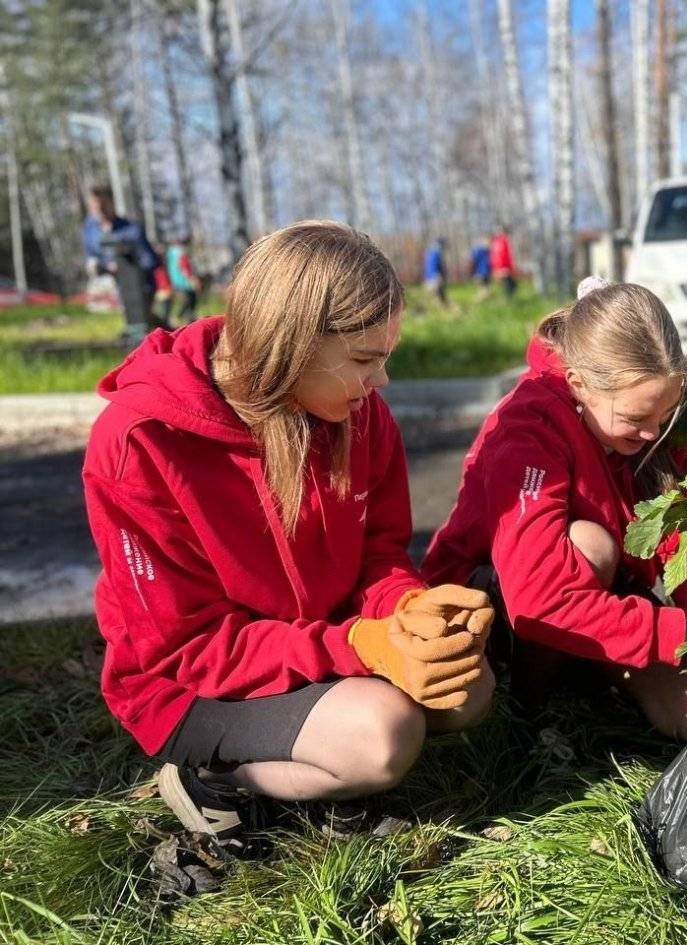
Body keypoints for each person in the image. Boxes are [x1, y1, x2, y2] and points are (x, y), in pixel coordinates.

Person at [82, 220, 495, 857]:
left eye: (387, 356)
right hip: (194, 684)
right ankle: (213, 782)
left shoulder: (357, 413)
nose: (380, 383)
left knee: (468, 687)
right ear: (291, 345)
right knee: (382, 736)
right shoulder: (139, 443)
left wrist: (408, 612)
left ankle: (323, 769)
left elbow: (380, 555)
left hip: (316, 645)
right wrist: (364, 645)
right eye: (364, 360)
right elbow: (188, 647)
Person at [419, 279, 687, 740]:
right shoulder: (528, 428)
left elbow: (686, 541)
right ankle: (526, 714)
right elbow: (538, 600)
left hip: (601, 598)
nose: (653, 432)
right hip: (496, 613)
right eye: (636, 419)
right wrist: (685, 633)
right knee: (589, 544)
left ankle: (589, 683)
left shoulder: (646, 418)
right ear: (579, 384)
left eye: (665, 415)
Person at [82, 185, 163, 343]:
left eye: (102, 205)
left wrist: (126, 263)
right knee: (141, 325)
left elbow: (151, 260)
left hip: (141, 287)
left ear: (111, 203)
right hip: (114, 286)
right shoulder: (90, 229)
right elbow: (92, 254)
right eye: (94, 206)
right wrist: (98, 265)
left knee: (143, 323)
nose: (99, 210)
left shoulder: (131, 230)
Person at [166, 235, 202, 324]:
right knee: (190, 298)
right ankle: (181, 316)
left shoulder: (171, 252)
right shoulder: (181, 252)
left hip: (176, 279)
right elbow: (185, 267)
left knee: (187, 298)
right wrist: (192, 278)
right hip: (185, 281)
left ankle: (185, 316)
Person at [489, 225, 516, 299]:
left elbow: (494, 256)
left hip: (501, 268)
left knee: (509, 285)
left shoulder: (496, 241)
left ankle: (507, 301)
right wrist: (506, 268)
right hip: (504, 268)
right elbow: (502, 256)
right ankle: (507, 301)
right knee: (509, 286)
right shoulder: (503, 242)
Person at [423, 237, 447, 306]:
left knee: (435, 297)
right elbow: (434, 265)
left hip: (428, 277)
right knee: (439, 296)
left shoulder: (429, 251)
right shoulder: (436, 252)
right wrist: (437, 275)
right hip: (435, 278)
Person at [470, 237, 492, 301]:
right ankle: (474, 302)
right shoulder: (478, 250)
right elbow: (473, 262)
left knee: (487, 291)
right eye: (487, 242)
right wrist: (474, 273)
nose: (489, 244)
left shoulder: (489, 251)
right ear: (483, 242)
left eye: (490, 242)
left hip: (487, 274)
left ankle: (479, 303)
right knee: (484, 291)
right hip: (479, 273)